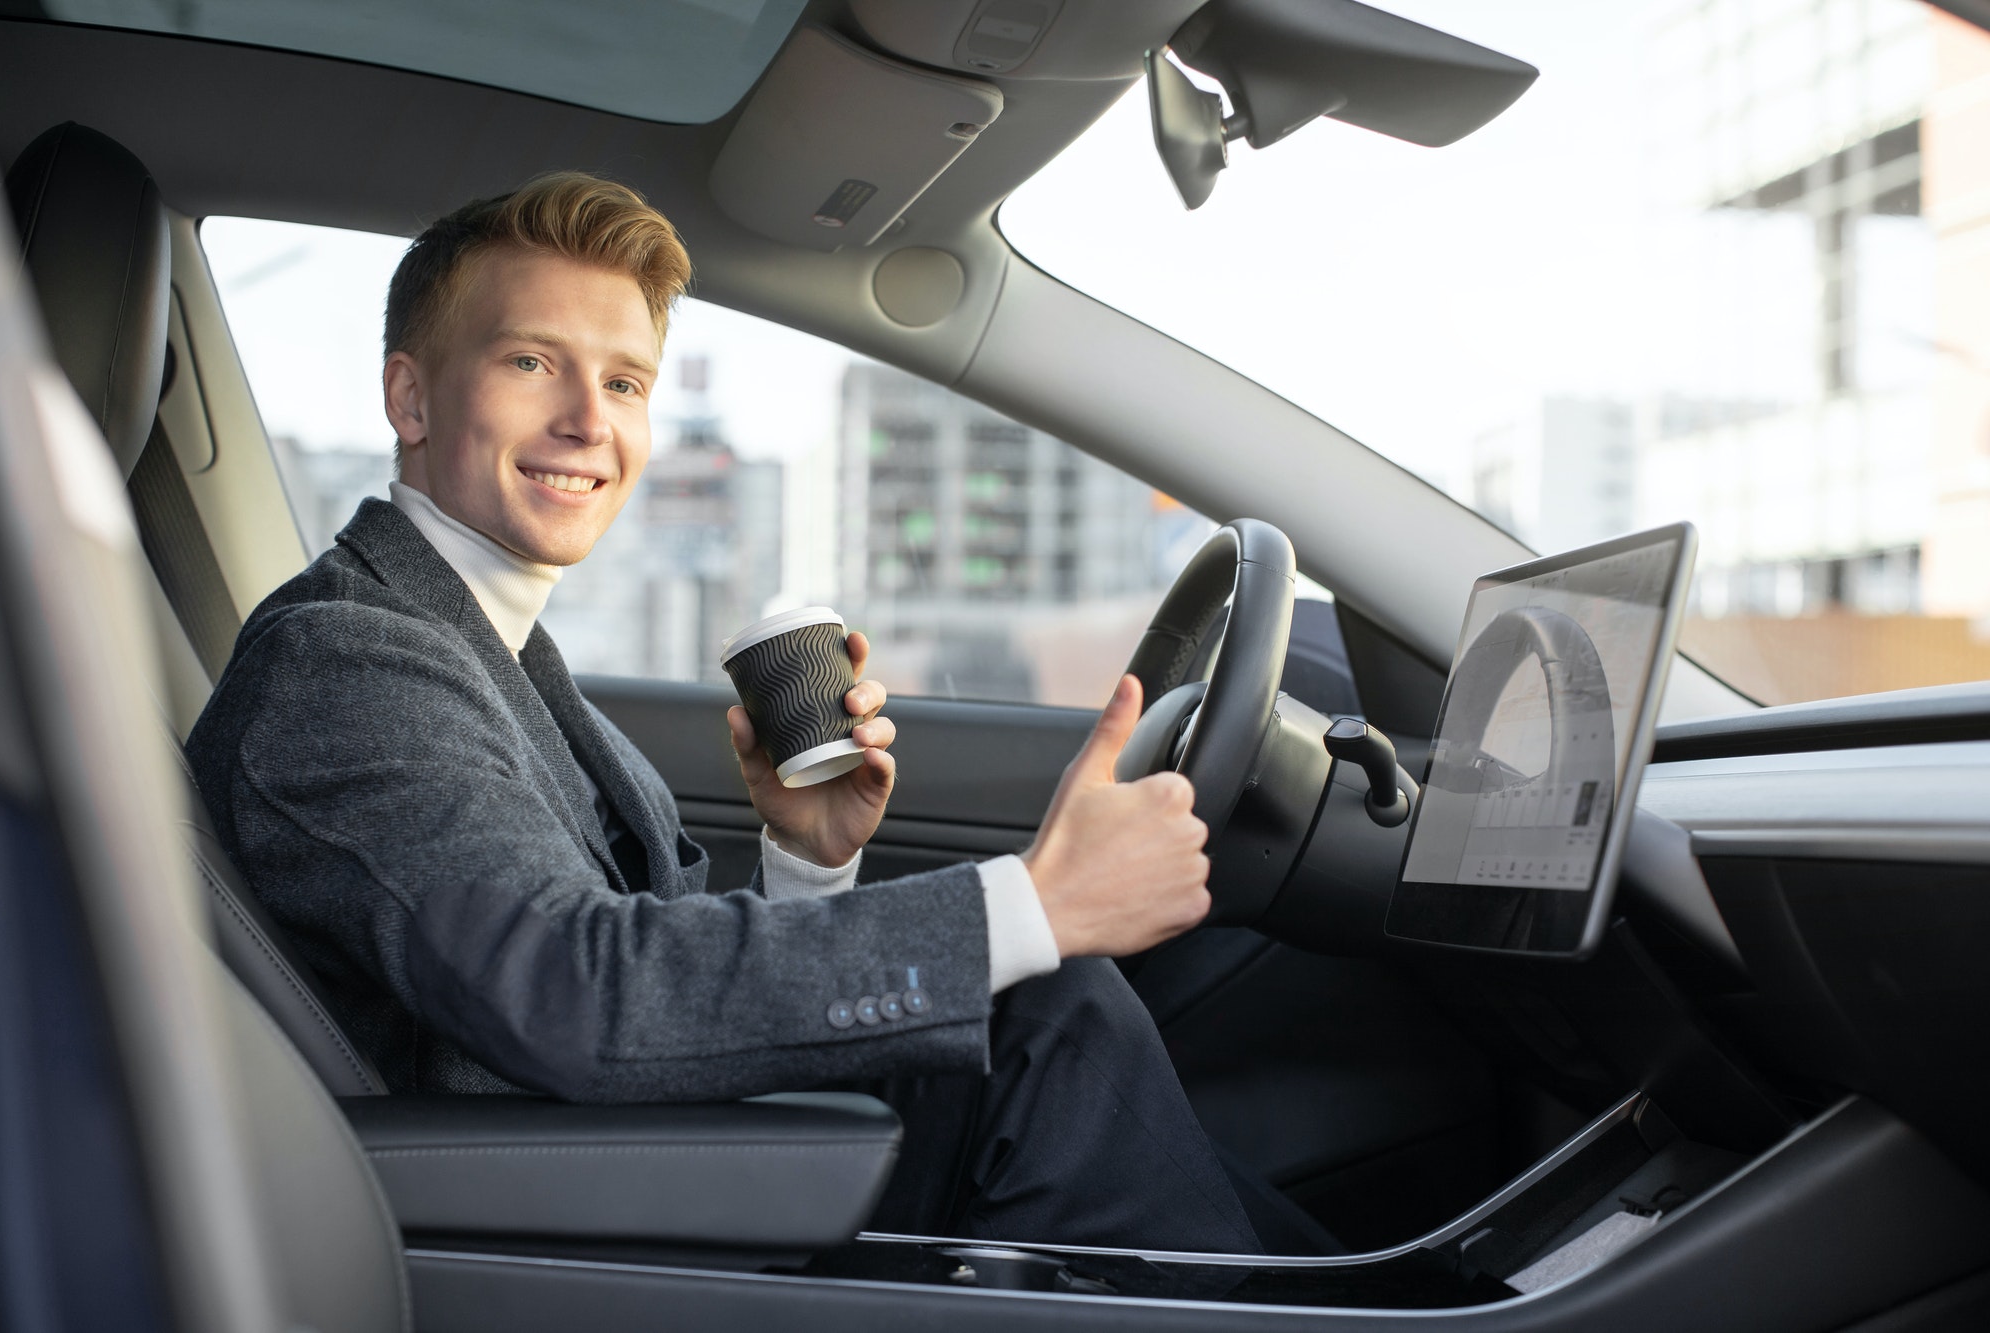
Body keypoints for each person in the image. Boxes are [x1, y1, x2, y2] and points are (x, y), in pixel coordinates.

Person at [185, 172, 1267, 1254]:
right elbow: (576, 993)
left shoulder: (494, 652)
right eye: (530, 362)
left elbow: (647, 971)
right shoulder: (348, 660)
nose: (585, 422)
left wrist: (804, 861)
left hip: (623, 1156)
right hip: (532, 1220)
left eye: (623, 382)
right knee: (1049, 1013)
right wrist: (1034, 905)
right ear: (410, 398)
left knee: (1042, 1023)